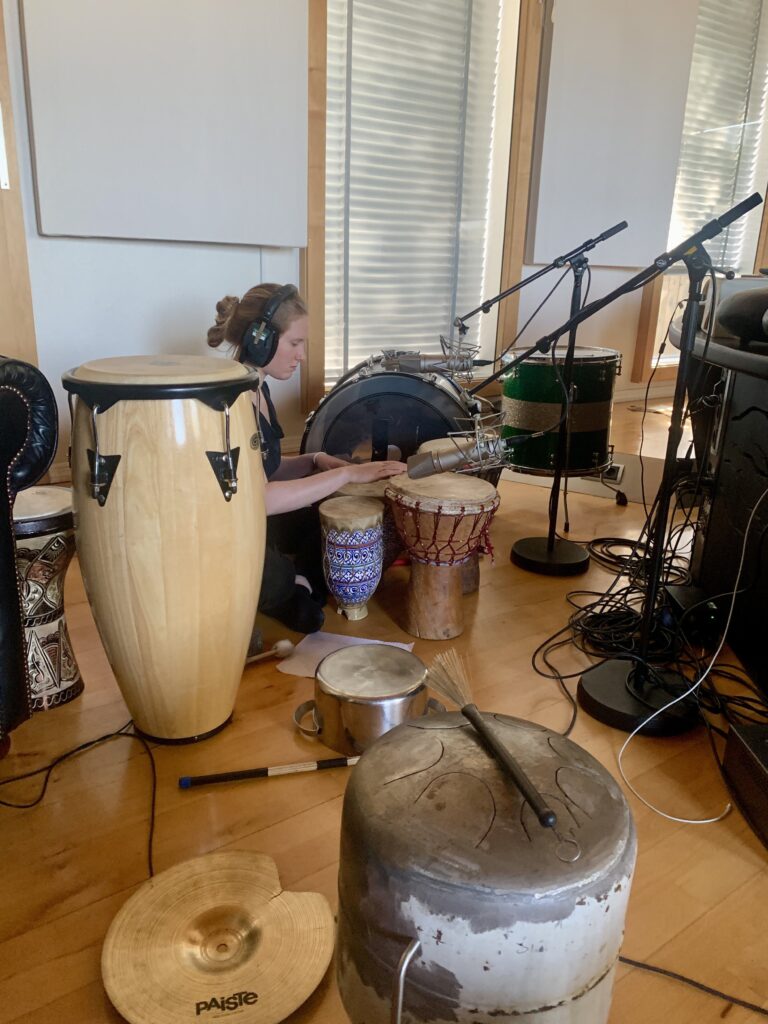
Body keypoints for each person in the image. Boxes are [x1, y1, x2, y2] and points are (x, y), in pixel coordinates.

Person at [207, 282, 406, 633]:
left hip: (256, 523)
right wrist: (346, 476)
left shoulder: (258, 388)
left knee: (323, 529)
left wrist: (315, 459)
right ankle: (283, 584)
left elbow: (264, 470)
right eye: (294, 343)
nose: (301, 355)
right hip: (230, 534)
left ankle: (292, 580)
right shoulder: (233, 402)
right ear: (260, 339)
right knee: (309, 616)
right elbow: (261, 498)